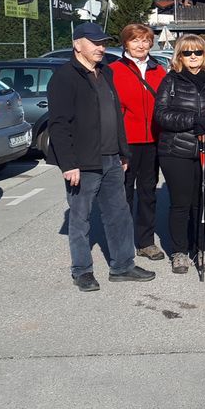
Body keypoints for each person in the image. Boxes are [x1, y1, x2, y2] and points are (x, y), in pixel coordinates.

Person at [48, 22, 156, 291]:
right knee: (80, 218)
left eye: (103, 43)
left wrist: (123, 151)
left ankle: (123, 266)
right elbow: (58, 125)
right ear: (77, 44)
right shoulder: (64, 77)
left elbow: (115, 116)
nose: (101, 48)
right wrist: (68, 164)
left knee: (119, 214)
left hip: (112, 158)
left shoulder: (105, 72)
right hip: (83, 162)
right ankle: (82, 271)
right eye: (95, 43)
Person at [154, 35, 205, 275]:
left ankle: (202, 246)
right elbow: (161, 114)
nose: (193, 56)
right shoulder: (170, 81)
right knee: (181, 203)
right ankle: (179, 251)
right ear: (179, 56)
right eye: (187, 52)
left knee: (204, 202)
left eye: (197, 52)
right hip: (177, 150)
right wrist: (193, 120)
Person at [109, 23, 167, 261]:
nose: (141, 45)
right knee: (123, 194)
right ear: (125, 43)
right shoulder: (112, 71)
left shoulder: (159, 70)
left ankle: (145, 242)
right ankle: (122, 243)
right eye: (135, 40)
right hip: (126, 142)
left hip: (153, 140)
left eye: (145, 40)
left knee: (147, 193)